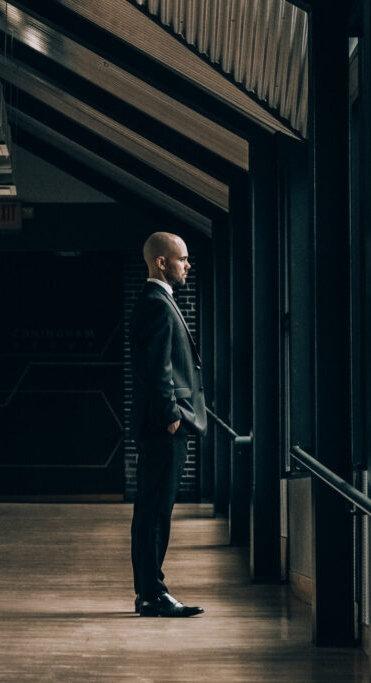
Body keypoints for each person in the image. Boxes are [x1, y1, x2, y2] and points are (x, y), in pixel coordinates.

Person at [128, 232, 207, 617]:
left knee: (155, 510)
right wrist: (172, 416)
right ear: (162, 262)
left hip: (164, 425)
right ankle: (151, 594)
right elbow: (156, 368)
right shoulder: (156, 304)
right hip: (164, 426)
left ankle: (150, 592)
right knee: (155, 512)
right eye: (182, 259)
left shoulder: (158, 302)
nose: (187, 265)